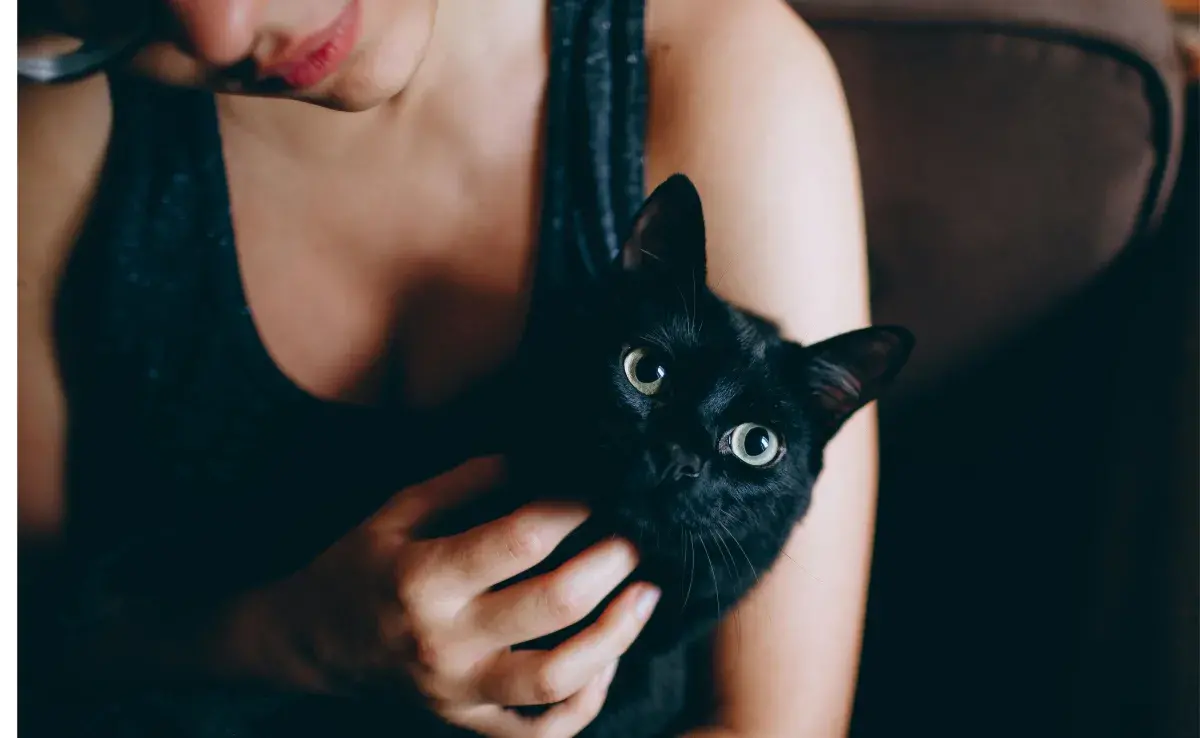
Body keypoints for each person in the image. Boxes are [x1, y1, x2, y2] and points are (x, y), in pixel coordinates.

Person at [17, 0, 879, 736]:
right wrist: (289, 639)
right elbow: (35, 662)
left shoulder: (718, 69)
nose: (220, 29)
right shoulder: (36, 132)